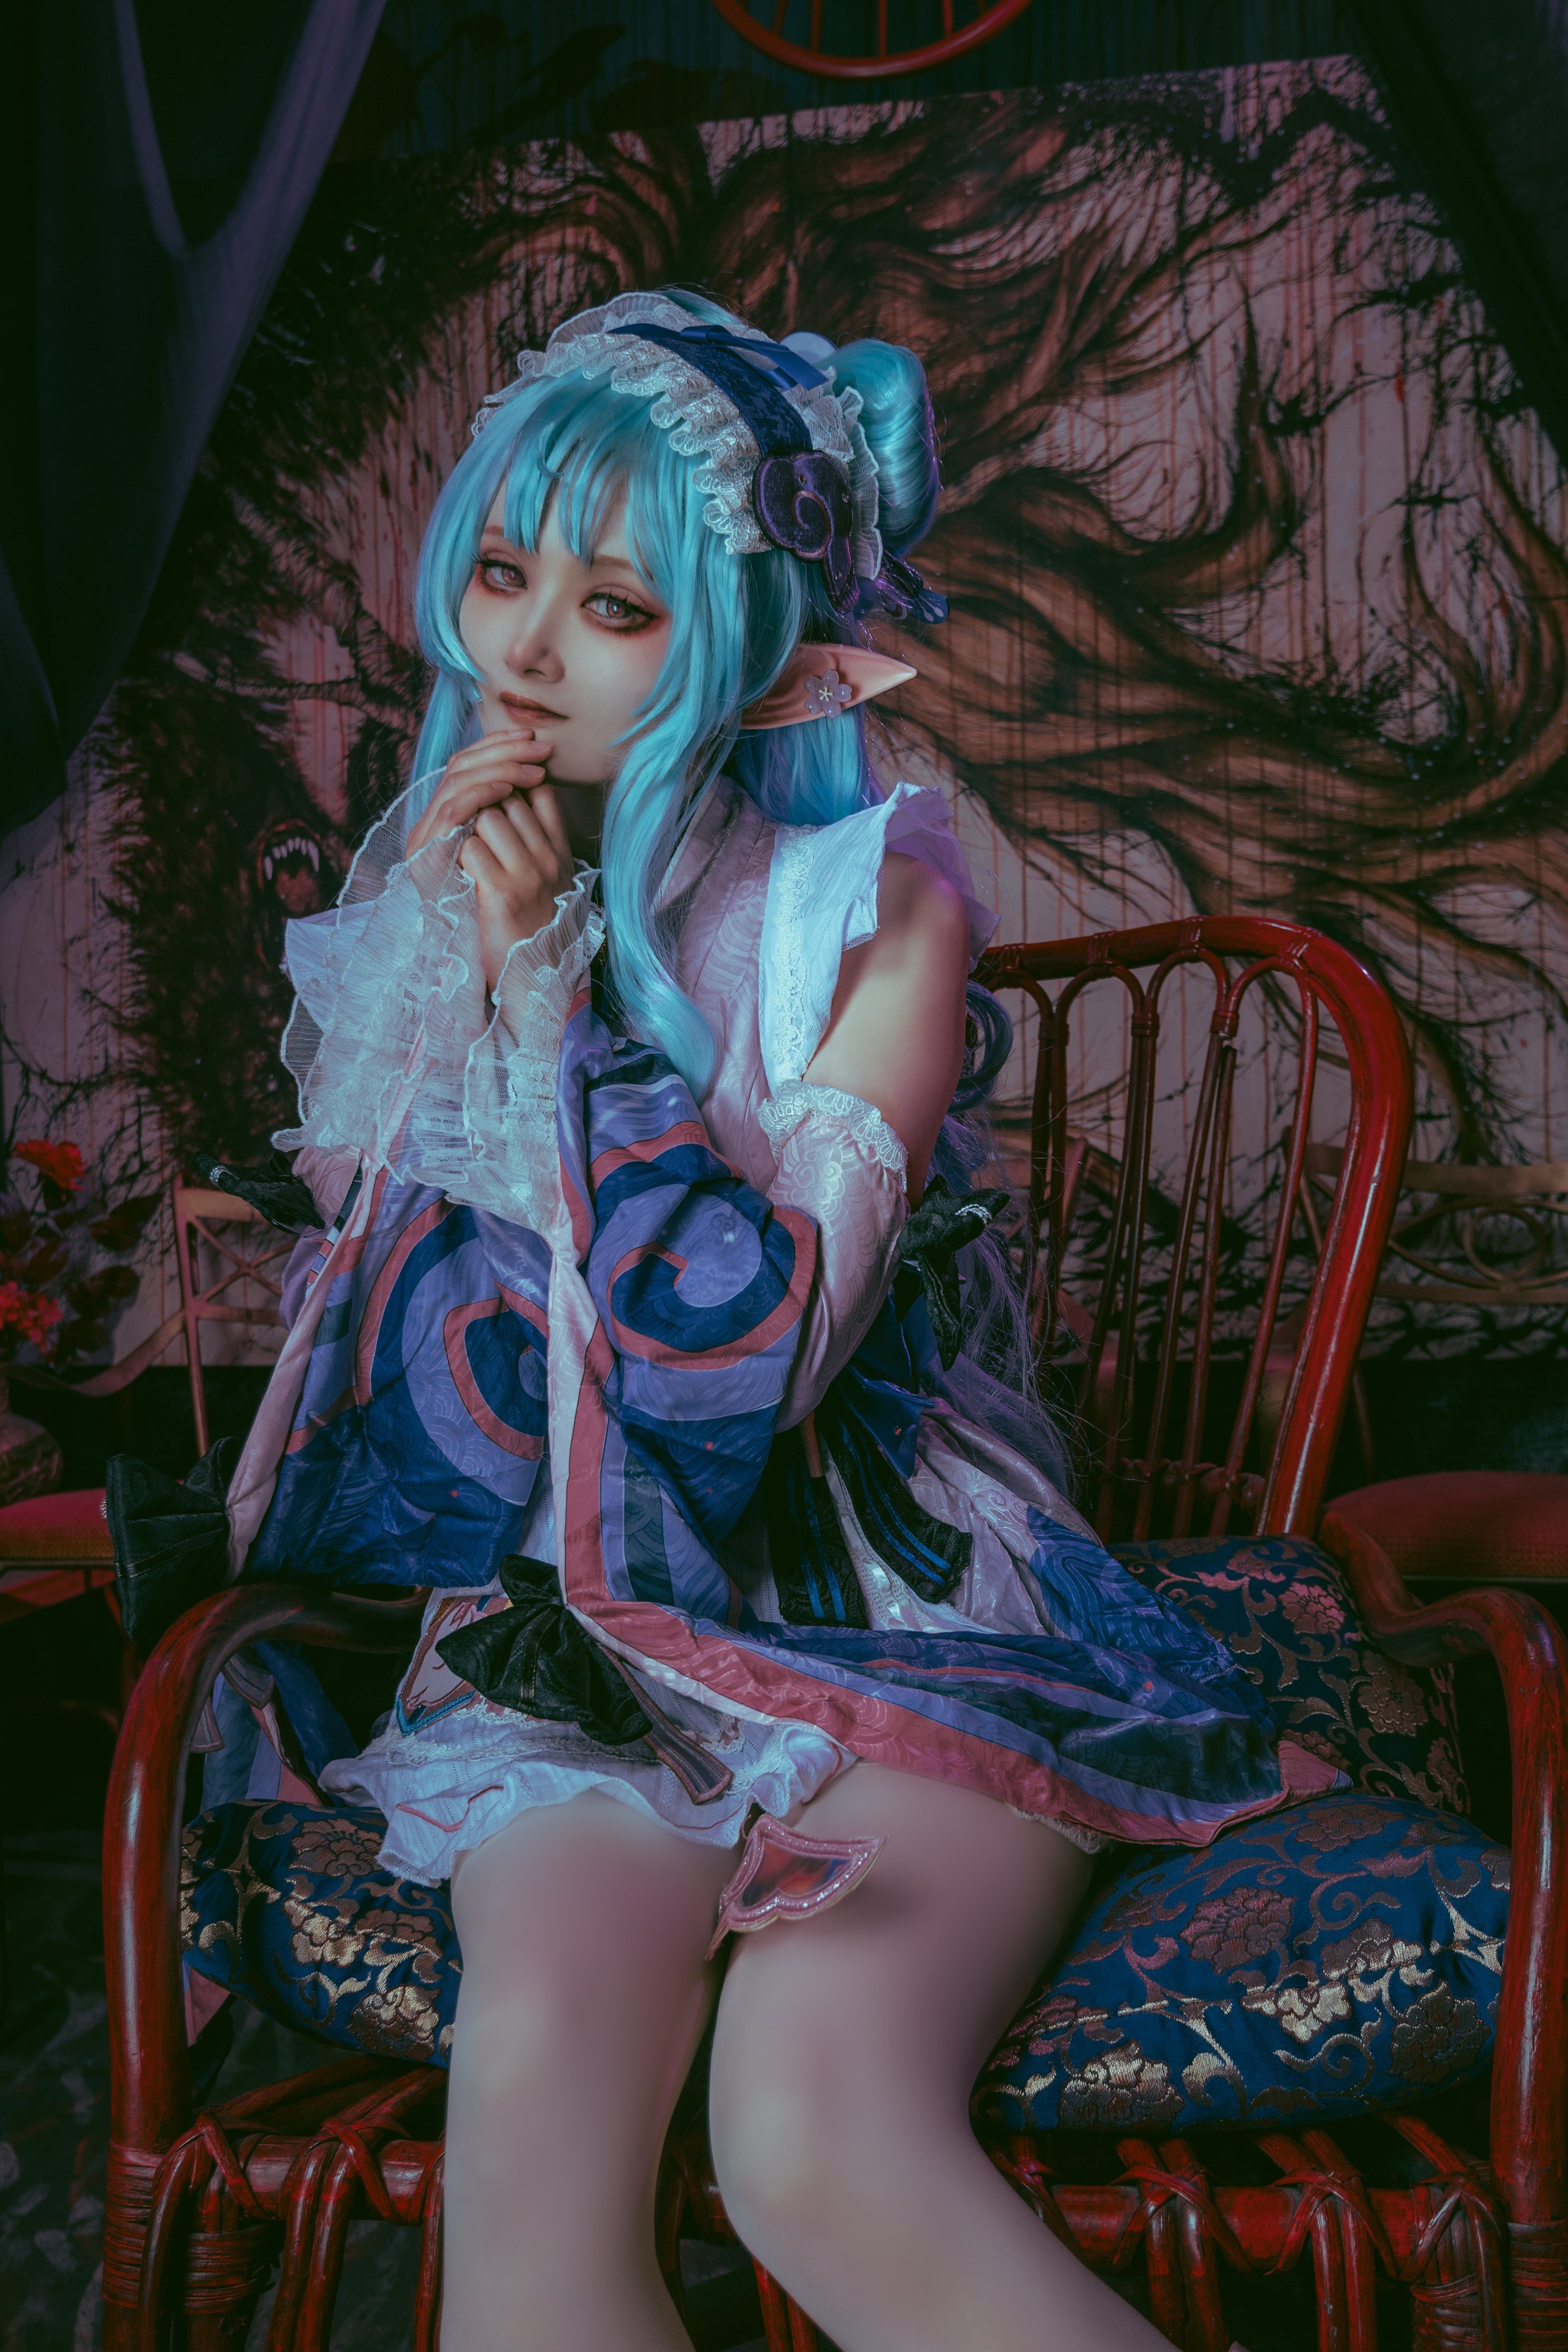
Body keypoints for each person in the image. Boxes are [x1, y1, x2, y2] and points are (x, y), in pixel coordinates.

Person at [219, 289, 1322, 2350]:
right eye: (499, 571)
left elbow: (748, 1355)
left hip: (893, 1613)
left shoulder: (870, 903)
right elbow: (411, 1361)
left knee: (810, 2140)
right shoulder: (433, 902)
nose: (522, 650)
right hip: (574, 1648)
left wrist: (553, 989)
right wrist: (458, 968)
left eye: (614, 606)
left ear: (753, 642)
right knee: (530, 2159)